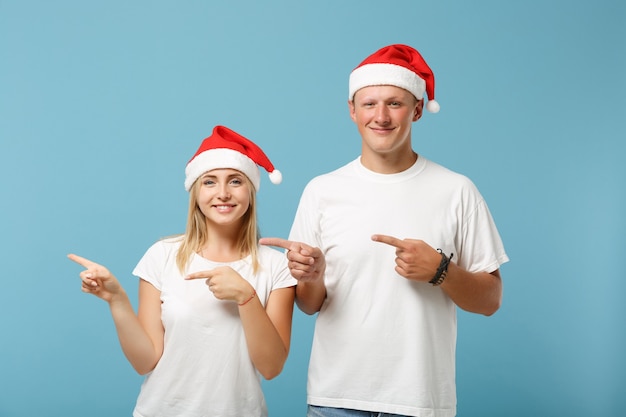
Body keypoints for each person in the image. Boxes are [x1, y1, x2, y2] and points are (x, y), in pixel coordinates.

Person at [260, 44, 509, 417]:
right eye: (369, 103)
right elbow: (309, 305)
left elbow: (490, 301)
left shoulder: (457, 190)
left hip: (420, 402)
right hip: (335, 400)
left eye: (395, 103)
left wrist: (441, 271)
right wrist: (312, 276)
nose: (381, 116)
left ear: (418, 110)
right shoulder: (322, 191)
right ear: (352, 111)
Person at [68, 125, 297, 417]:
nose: (223, 193)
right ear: (196, 192)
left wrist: (246, 297)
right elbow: (146, 361)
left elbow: (272, 366)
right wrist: (117, 301)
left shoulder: (276, 267)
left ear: (251, 191)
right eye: (210, 182)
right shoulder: (162, 255)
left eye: (235, 181)